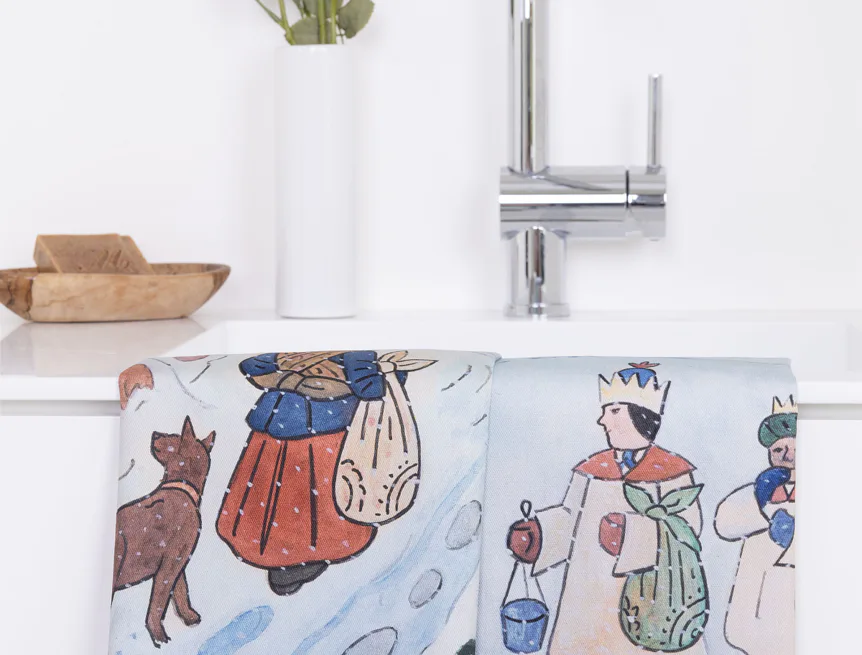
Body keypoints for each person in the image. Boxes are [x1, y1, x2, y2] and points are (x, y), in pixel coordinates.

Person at [507, 363, 707, 655]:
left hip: (651, 602)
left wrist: (633, 535)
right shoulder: (591, 469)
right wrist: (539, 536)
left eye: (614, 411)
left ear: (640, 416)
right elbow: (570, 519)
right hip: (588, 603)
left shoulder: (672, 472)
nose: (603, 420)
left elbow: (687, 527)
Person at [217, 351, 412, 595]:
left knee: (316, 499)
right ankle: (284, 549)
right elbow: (252, 366)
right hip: (286, 431)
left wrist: (313, 379)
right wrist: (294, 376)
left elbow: (372, 387)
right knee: (279, 495)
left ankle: (308, 550)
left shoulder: (358, 353)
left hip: (325, 433)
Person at [714, 396, 796, 655]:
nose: (787, 456)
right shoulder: (761, 491)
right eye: (778, 450)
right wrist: (758, 500)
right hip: (756, 605)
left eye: (795, 448)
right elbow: (724, 524)